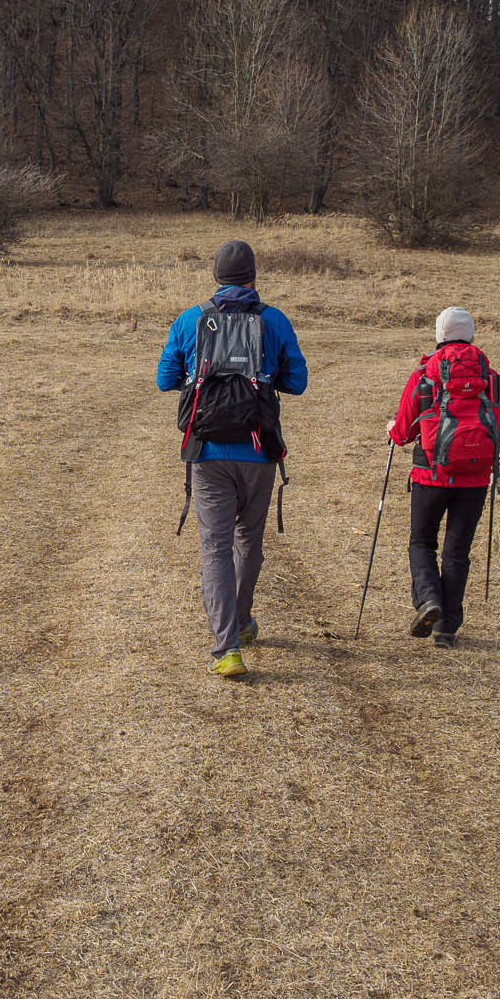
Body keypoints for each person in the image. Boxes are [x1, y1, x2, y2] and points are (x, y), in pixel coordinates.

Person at [158, 239, 308, 678]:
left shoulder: (191, 320)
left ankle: (226, 648)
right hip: (260, 451)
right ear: (253, 277)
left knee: (215, 549)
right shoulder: (274, 320)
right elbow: (296, 382)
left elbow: (165, 378)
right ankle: (241, 622)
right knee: (249, 541)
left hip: (206, 451)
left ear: (215, 277)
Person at [386, 307, 500, 648]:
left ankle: (429, 600)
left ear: (438, 335)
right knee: (457, 552)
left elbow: (402, 432)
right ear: (471, 334)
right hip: (475, 480)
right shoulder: (489, 377)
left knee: (421, 543)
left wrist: (392, 429)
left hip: (430, 475)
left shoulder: (425, 374)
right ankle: (446, 629)